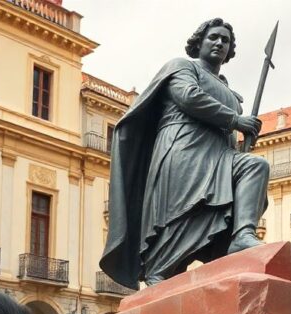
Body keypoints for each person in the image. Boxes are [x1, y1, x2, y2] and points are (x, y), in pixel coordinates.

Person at [100, 17, 268, 287]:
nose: (219, 43)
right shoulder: (181, 67)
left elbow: (226, 129)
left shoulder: (230, 92)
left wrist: (240, 139)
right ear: (199, 41)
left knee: (254, 166)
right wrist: (236, 121)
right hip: (184, 150)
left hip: (219, 155)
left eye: (225, 40)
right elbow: (189, 97)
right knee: (180, 214)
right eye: (213, 37)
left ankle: (243, 234)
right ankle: (161, 267)